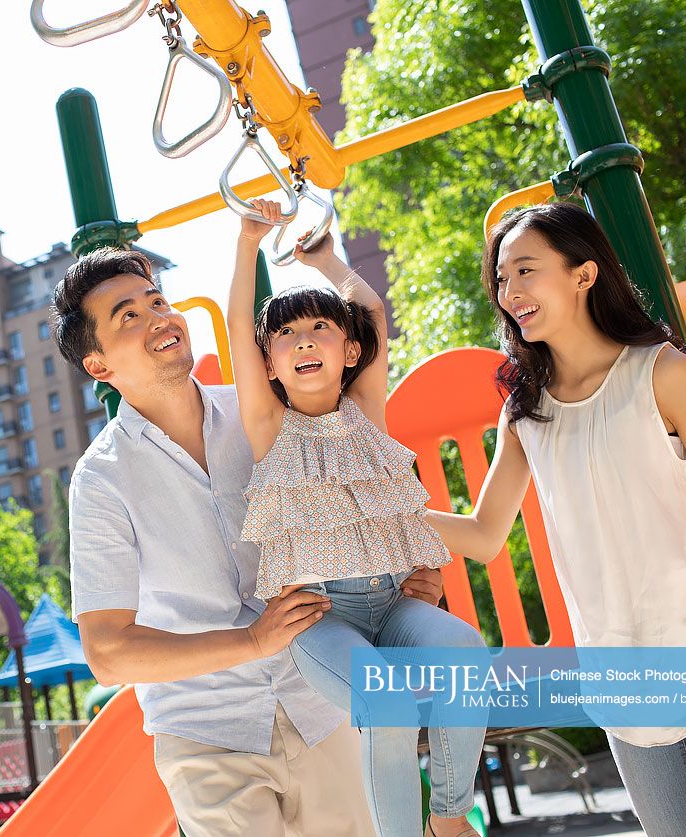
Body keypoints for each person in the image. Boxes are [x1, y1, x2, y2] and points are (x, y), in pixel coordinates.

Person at [51, 246, 446, 836]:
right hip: (207, 734)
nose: (158, 317)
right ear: (98, 364)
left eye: (157, 301)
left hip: (319, 706)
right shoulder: (101, 479)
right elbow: (108, 654)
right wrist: (252, 640)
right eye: (127, 315)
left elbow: (364, 481)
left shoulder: (264, 412)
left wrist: (415, 571)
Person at [426, 202, 686, 837]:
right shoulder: (526, 412)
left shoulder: (663, 374)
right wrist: (380, 514)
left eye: (525, 271)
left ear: (583, 274)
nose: (509, 292)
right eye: (501, 279)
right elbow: (483, 535)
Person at [226, 200, 486, 837]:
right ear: (271, 363)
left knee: (466, 651)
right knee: (389, 705)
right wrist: (247, 243)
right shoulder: (270, 425)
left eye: (320, 328)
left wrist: (323, 260)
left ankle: (447, 820)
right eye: (286, 334)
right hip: (320, 616)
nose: (305, 340)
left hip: (391, 602)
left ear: (347, 351)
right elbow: (238, 330)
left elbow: (370, 312)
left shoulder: (366, 407)